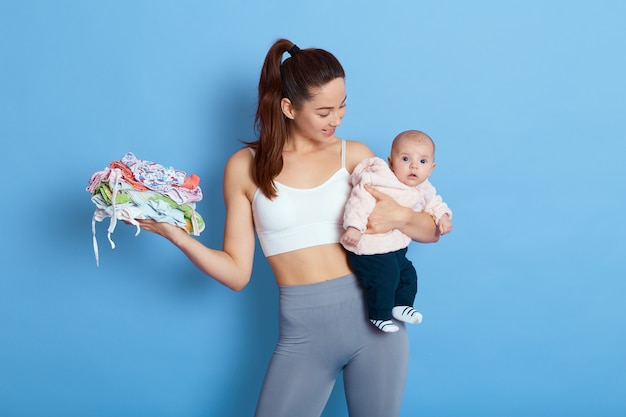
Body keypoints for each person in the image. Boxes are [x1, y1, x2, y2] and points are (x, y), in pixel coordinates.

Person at [134, 39, 440, 417]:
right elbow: (236, 273)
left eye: (343, 105)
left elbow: (431, 229)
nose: (338, 119)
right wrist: (174, 234)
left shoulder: (357, 158)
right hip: (303, 334)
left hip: (375, 324)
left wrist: (400, 217)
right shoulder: (244, 168)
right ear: (288, 107)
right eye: (325, 110)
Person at [341, 130, 453, 333]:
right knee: (386, 276)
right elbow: (359, 201)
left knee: (408, 275)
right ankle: (379, 314)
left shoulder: (424, 188)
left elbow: (435, 204)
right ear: (391, 162)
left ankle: (402, 305)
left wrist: (443, 216)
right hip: (370, 248)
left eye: (422, 161)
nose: (413, 166)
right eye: (405, 159)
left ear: (431, 168)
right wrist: (354, 227)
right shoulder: (381, 181)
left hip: (395, 249)